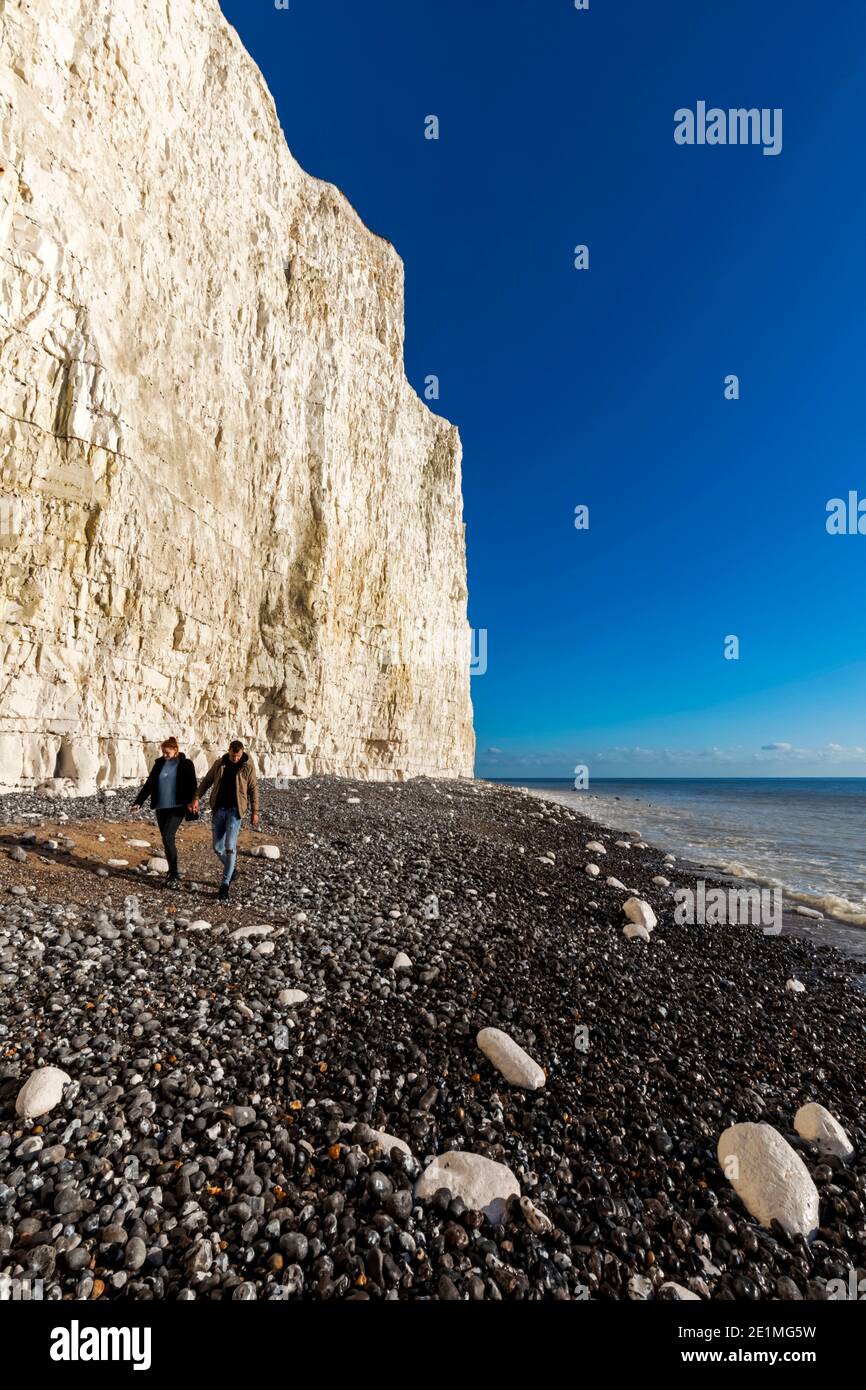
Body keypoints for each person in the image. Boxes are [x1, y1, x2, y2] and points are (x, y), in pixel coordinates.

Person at [191, 739, 260, 901]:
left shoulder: (248, 767)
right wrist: (196, 797)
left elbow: (253, 789)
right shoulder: (220, 764)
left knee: (230, 846)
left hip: (235, 811)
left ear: (242, 752)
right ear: (228, 751)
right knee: (217, 847)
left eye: (237, 756)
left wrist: (255, 811)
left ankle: (225, 884)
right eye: (232, 755)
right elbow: (207, 781)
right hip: (219, 809)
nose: (234, 758)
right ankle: (232, 869)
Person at [131, 736, 198, 885]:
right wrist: (139, 802)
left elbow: (193, 785)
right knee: (167, 839)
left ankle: (174, 873)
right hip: (161, 807)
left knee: (167, 836)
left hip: (178, 806)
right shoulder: (159, 764)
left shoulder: (186, 764)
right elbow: (149, 784)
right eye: (163, 752)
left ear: (175, 750)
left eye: (167, 752)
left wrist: (194, 801)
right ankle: (172, 870)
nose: (165, 755)